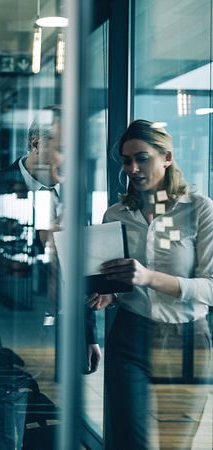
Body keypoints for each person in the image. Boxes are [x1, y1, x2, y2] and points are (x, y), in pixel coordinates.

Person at [0, 106, 100, 449]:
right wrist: (35, 240)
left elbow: (79, 271)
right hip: (5, 339)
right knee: (3, 440)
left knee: (51, 438)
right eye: (64, 148)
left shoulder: (75, 196)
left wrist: (89, 333)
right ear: (35, 142)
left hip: (59, 343)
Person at [89, 120, 213, 450]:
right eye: (126, 161)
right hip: (131, 338)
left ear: (167, 157)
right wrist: (108, 293)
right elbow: (115, 282)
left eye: (142, 158)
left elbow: (212, 288)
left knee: (177, 444)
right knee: (132, 444)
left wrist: (149, 278)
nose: (132, 168)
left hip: (188, 341)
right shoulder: (116, 214)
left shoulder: (199, 210)